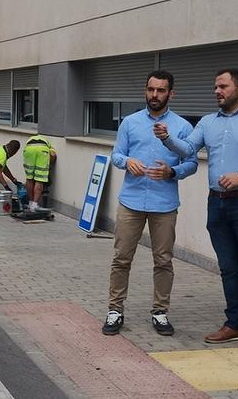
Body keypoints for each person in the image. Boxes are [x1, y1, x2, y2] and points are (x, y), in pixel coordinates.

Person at [154, 68, 238, 356]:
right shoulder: (207, 122)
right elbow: (188, 148)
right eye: (215, 86)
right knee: (228, 268)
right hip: (218, 203)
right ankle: (235, 325)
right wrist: (167, 138)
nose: (217, 91)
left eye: (222, 86)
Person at [103, 71, 198, 337]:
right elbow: (116, 154)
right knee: (121, 259)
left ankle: (160, 312)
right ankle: (115, 310)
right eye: (151, 89)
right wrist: (126, 162)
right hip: (131, 201)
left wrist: (172, 172)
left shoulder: (182, 127)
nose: (154, 95)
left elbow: (191, 163)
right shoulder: (130, 123)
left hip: (164, 203)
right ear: (145, 91)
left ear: (171, 94)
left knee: (164, 261)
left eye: (161, 90)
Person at [21, 134, 56, 212]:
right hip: (42, 150)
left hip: (29, 150)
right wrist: (49, 165)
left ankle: (30, 203)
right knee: (40, 179)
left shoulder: (29, 139)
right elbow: (53, 155)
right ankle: (34, 205)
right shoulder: (49, 146)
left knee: (29, 178)